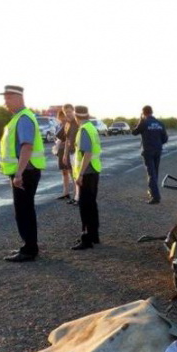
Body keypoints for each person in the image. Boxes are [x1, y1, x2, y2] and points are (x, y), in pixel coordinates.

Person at [0, 85, 46, 262]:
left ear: (19, 98)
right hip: (25, 171)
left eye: (8, 98)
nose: (5, 102)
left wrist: (18, 174)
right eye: (5, 98)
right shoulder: (19, 117)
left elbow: (27, 146)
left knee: (24, 211)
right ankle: (29, 245)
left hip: (26, 172)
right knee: (25, 210)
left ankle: (29, 250)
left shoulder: (23, 118)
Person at [71, 105, 101, 250]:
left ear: (76, 117)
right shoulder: (92, 127)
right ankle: (94, 236)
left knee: (85, 207)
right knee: (92, 205)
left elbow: (87, 153)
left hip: (87, 173)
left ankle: (87, 239)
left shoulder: (83, 130)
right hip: (94, 171)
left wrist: (80, 174)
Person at [132, 105, 168, 204]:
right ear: (152, 112)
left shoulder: (144, 123)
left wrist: (140, 120)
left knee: (151, 173)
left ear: (143, 113)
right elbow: (165, 139)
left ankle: (155, 197)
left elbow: (134, 132)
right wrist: (158, 143)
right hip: (158, 150)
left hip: (148, 151)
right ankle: (153, 192)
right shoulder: (160, 123)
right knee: (155, 173)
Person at [63, 104, 80, 206]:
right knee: (74, 176)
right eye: (66, 112)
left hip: (78, 154)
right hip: (70, 153)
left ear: (73, 111)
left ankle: (79, 198)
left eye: (69, 111)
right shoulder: (67, 124)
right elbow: (67, 140)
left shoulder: (78, 122)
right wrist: (65, 154)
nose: (68, 114)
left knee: (78, 176)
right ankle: (76, 197)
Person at [54, 108, 72, 200]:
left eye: (63, 115)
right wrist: (57, 145)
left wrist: (63, 143)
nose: (62, 118)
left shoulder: (69, 125)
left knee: (71, 171)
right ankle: (66, 193)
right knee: (64, 172)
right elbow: (56, 138)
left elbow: (71, 139)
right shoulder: (58, 126)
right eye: (60, 116)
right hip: (60, 150)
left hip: (68, 150)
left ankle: (77, 194)